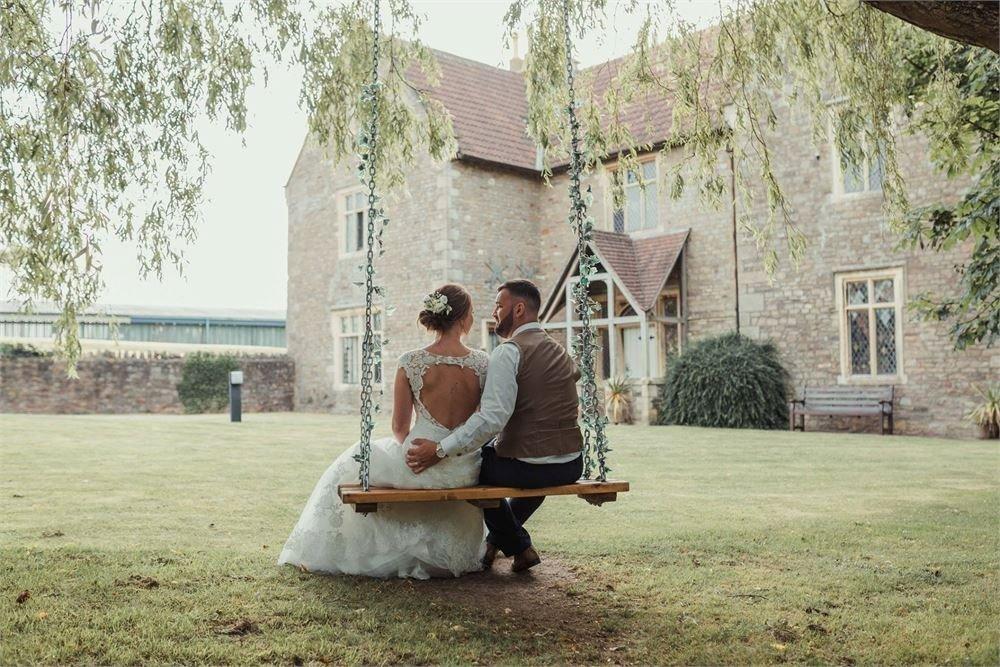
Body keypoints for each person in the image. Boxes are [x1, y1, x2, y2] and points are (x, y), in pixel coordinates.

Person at [278, 284, 490, 579]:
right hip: (463, 466)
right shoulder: (483, 363)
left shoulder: (410, 362)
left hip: (417, 458)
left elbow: (399, 428)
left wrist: (412, 450)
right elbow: (483, 421)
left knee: (357, 459)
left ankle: (375, 548)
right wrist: (449, 449)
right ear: (465, 318)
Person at [407, 279, 583, 573]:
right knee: (530, 477)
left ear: (519, 309)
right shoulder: (560, 352)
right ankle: (494, 543)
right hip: (570, 463)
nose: (495, 312)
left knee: (476, 467)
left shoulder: (509, 351)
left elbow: (491, 419)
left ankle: (520, 547)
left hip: (530, 464)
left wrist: (440, 449)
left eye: (500, 306)